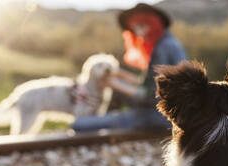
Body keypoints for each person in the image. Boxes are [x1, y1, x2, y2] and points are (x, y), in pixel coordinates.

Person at [72, 3, 187, 131]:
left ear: (153, 24)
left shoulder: (162, 49)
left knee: (79, 124)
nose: (139, 33)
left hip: (160, 116)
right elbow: (151, 85)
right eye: (135, 29)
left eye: (142, 26)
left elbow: (151, 97)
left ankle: (106, 122)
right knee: (116, 93)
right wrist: (124, 77)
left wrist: (115, 84)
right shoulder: (169, 43)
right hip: (167, 111)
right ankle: (106, 122)